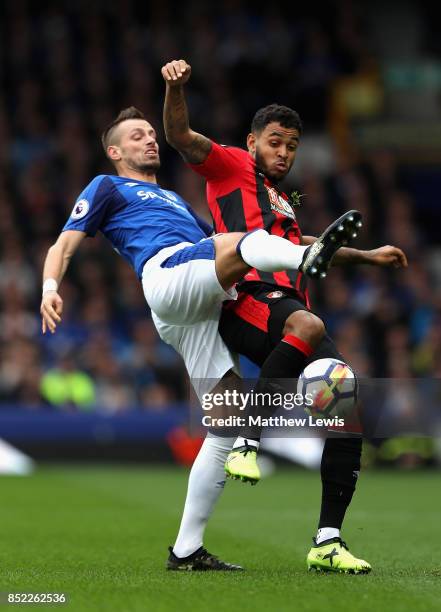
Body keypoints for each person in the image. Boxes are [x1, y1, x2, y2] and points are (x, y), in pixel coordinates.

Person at [40, 106, 360, 571]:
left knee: (225, 423)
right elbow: (63, 243)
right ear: (114, 151)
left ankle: (186, 550)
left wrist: (360, 255)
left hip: (193, 306)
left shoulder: (174, 199)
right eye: (136, 136)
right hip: (167, 276)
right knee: (239, 240)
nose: (149, 140)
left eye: (150, 134)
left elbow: (246, 244)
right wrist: (50, 288)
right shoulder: (107, 186)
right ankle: (304, 259)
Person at [162, 58, 408, 573]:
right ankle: (249, 440)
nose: (284, 152)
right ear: (252, 142)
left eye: (292, 145)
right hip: (247, 300)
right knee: (310, 326)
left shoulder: (282, 203)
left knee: (344, 402)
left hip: (287, 312)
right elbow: (181, 135)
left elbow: (309, 248)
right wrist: (176, 88)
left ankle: (327, 540)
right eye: (275, 141)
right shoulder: (230, 164)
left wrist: (369, 255)